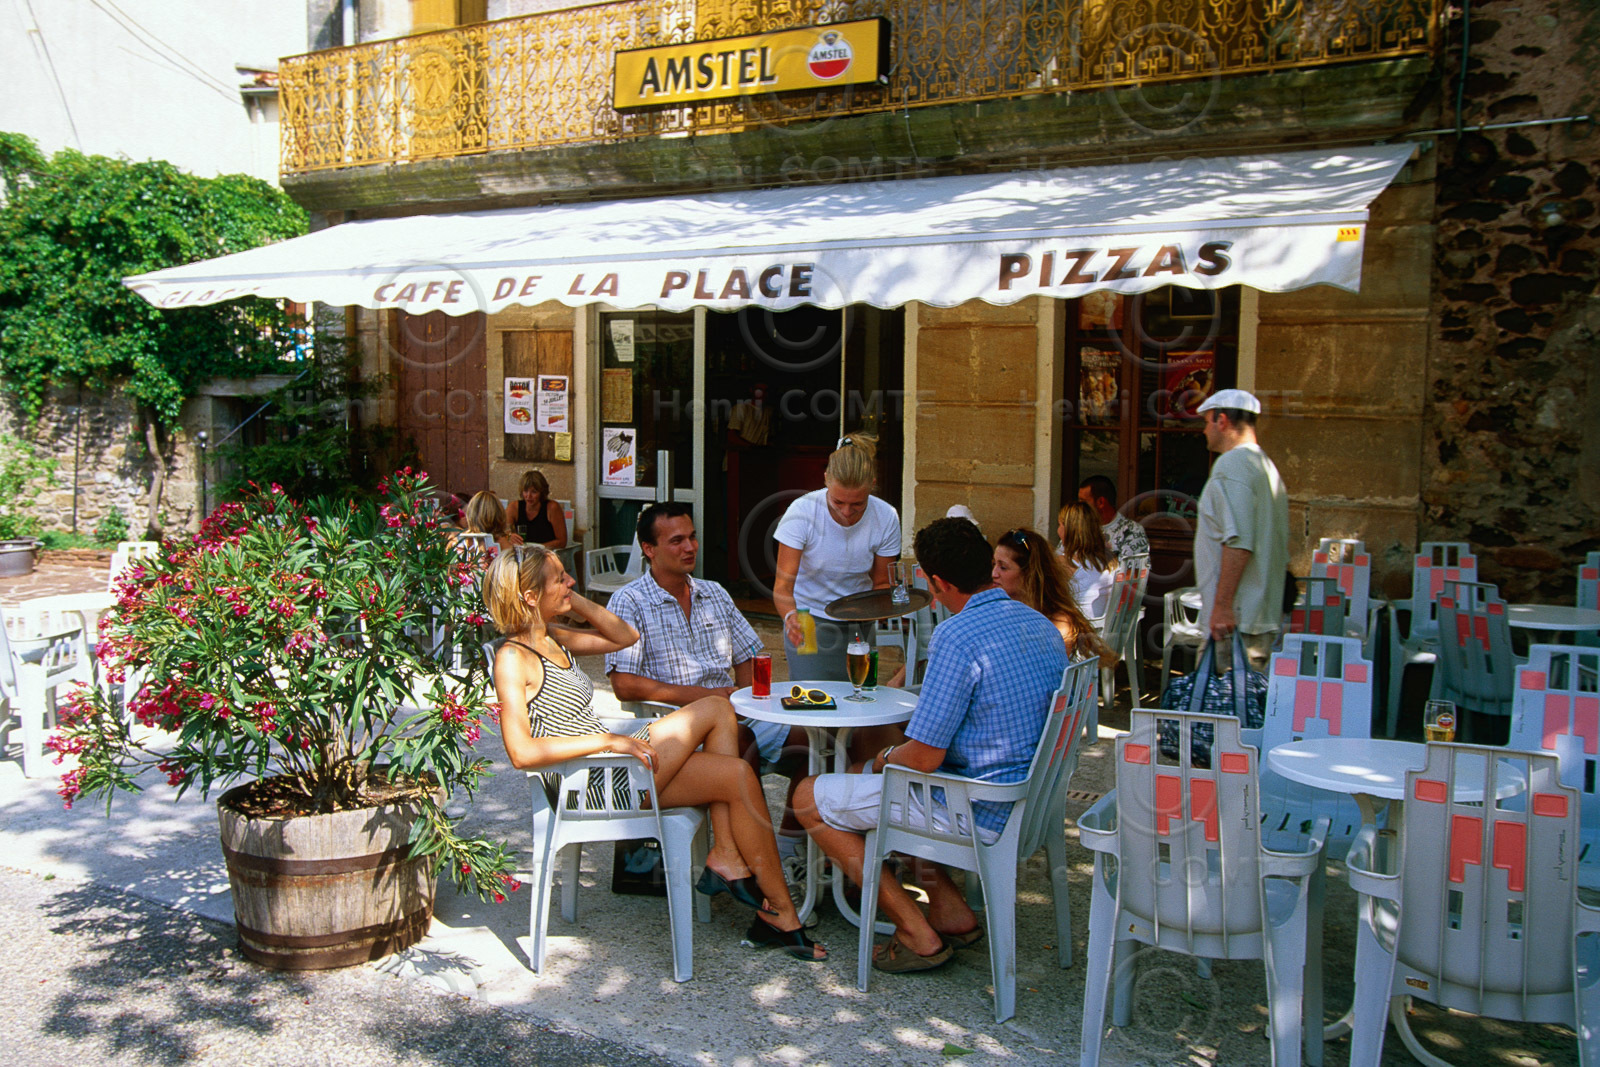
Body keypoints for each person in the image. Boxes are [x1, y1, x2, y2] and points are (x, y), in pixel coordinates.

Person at [485, 546, 824, 961]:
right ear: (530, 596)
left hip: (615, 769)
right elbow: (520, 752)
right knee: (727, 739)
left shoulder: (553, 637)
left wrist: (574, 600)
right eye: (560, 579)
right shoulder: (512, 658)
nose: (571, 582)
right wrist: (608, 741)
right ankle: (760, 893)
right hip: (590, 784)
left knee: (731, 751)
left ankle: (749, 881)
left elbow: (625, 636)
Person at [794, 518, 1068, 973]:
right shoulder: (1039, 625)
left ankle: (915, 932)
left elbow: (923, 757)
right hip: (1028, 801)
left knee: (809, 798)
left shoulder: (956, 636)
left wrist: (883, 758)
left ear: (936, 583)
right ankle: (952, 911)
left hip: (979, 812)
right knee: (883, 789)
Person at [605, 501, 811, 860]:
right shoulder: (629, 601)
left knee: (813, 738)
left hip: (732, 713)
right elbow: (624, 684)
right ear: (649, 549)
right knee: (743, 740)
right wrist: (707, 698)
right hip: (673, 733)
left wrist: (749, 700)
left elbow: (748, 653)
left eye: (693, 537)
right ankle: (752, 859)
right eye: (677, 541)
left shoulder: (713, 592)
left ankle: (787, 844)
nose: (690, 547)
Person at [773, 435, 901, 680]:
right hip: (808, 620)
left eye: (858, 504)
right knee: (811, 702)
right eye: (838, 502)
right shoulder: (802, 511)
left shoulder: (886, 516)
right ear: (826, 481)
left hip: (859, 621)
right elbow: (783, 587)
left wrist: (889, 605)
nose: (846, 512)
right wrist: (791, 617)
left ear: (873, 484)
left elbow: (882, 583)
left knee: (860, 701)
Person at [1194, 388, 1289, 673]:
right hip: (1254, 616)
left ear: (1222, 420)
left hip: (1235, 621)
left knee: (1221, 712)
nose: (1204, 431)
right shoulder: (1264, 465)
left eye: (1207, 422)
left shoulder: (1233, 465)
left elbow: (1239, 542)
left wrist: (1222, 607)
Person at [993, 527, 1117, 669]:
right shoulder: (1003, 607)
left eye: (1003, 567)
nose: (994, 573)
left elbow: (1043, 674)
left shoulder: (1058, 622)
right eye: (993, 564)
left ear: (1029, 574)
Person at [1055, 500, 1117, 620]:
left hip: (1077, 629)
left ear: (1070, 529)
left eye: (1060, 525)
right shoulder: (1110, 560)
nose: (1058, 530)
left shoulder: (1064, 562)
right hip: (1103, 629)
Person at [1077, 475, 1149, 563]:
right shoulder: (1078, 526)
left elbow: (1131, 573)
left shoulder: (1132, 531)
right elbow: (1060, 563)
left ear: (1101, 502)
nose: (1079, 507)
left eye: (1083, 502)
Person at [507, 469, 568, 550]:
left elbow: (562, 541)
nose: (528, 496)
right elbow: (502, 532)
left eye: (534, 492)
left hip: (545, 553)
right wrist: (509, 536)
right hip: (522, 553)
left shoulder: (552, 508)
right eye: (525, 491)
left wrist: (537, 549)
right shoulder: (514, 507)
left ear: (542, 492)